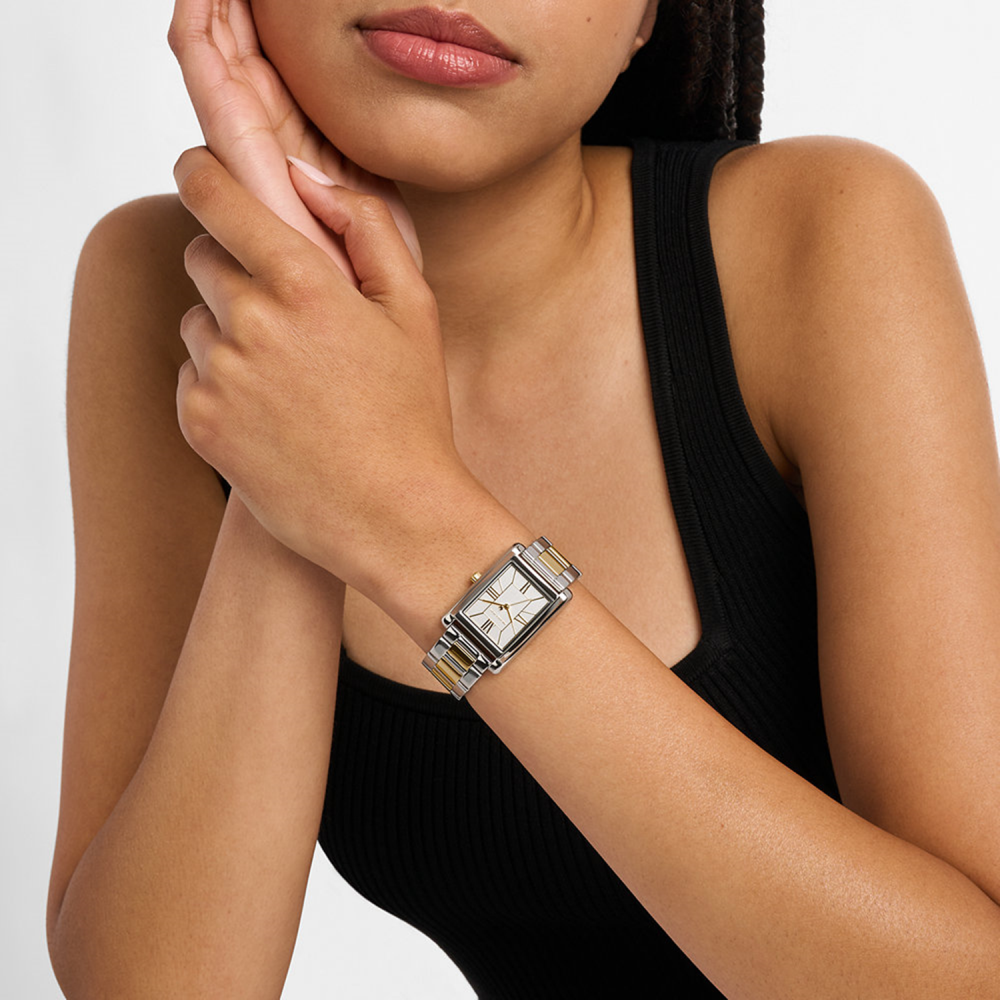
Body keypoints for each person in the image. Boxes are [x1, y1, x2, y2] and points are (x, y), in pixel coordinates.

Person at [46, 0, 1000, 996]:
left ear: (647, 18)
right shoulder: (169, 293)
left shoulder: (820, 234)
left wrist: (410, 519)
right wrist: (303, 379)